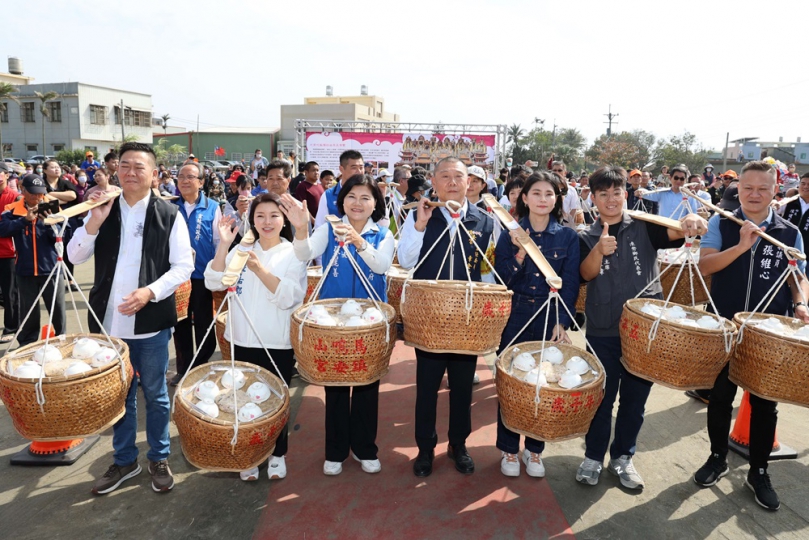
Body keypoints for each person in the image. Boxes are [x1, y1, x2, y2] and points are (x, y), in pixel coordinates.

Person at [67, 142, 193, 495]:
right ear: (115, 171)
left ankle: (159, 456)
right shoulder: (102, 207)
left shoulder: (168, 213)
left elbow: (185, 264)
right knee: (118, 395)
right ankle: (125, 460)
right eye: (125, 166)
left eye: (139, 167)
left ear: (154, 174)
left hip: (151, 321)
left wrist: (149, 292)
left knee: (154, 393)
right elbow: (74, 256)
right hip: (108, 325)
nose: (131, 172)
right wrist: (93, 221)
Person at [577, 166, 707, 490]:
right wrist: (598, 250)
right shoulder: (585, 235)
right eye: (603, 194)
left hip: (644, 332)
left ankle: (622, 458)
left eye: (616, 192)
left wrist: (692, 224)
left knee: (635, 401)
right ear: (593, 198)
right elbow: (584, 274)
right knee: (601, 399)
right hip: (603, 330)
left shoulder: (646, 227)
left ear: (626, 193)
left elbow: (679, 233)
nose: (611, 199)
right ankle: (593, 456)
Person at [693, 161, 809, 511]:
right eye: (747, 188)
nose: (754, 194)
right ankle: (717, 457)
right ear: (738, 189)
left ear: (776, 190)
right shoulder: (722, 223)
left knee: (763, 403)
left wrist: (802, 302)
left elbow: (798, 275)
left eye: (762, 188)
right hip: (725, 326)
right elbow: (706, 264)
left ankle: (759, 470)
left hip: (767, 333)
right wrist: (742, 245)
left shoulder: (789, 232)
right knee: (720, 394)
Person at [284, 174, 394, 476]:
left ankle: (364, 448)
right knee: (335, 386)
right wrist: (301, 228)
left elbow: (382, 266)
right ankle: (335, 451)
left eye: (365, 198)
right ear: (341, 201)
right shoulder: (328, 230)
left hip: (370, 322)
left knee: (367, 386)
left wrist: (359, 242)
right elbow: (304, 254)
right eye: (351, 197)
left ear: (375, 205)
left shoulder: (382, 234)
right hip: (332, 321)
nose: (357, 203)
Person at [398, 157, 495, 478]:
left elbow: (487, 273)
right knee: (426, 387)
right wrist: (420, 225)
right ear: (433, 182)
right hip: (430, 320)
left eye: (459, 177)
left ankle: (458, 445)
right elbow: (406, 259)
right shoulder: (420, 215)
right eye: (445, 176)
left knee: (463, 387)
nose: (452, 182)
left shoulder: (484, 221)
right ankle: (425, 449)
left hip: (466, 321)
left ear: (471, 183)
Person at [205, 192, 306, 481]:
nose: (267, 221)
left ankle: (277, 454)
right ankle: (249, 456)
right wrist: (225, 245)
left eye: (274, 215)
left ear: (284, 218)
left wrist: (260, 270)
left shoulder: (293, 253)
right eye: (260, 216)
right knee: (242, 401)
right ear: (251, 220)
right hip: (240, 341)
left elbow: (289, 296)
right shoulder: (242, 249)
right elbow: (214, 280)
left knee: (276, 401)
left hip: (276, 342)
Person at [494, 171, 579, 478]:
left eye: (549, 194)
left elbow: (570, 284)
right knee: (513, 382)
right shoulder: (509, 234)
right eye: (537, 193)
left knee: (545, 383)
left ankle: (534, 450)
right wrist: (518, 252)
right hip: (515, 315)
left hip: (548, 317)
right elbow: (503, 279)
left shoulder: (568, 237)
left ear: (557, 199)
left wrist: (562, 322)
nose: (543, 199)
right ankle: (508, 447)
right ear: (524, 198)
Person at [0, 175, 69, 346]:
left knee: (58, 310)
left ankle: (62, 342)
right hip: (24, 270)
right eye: (33, 193)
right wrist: (24, 220)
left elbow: (64, 234)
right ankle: (28, 344)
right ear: (23, 191)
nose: (38, 197)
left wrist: (49, 222)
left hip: (52, 269)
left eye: (40, 193)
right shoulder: (11, 210)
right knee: (28, 312)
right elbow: (3, 230)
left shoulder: (54, 208)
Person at [169, 161, 221, 386]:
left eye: (190, 177)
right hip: (176, 279)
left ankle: (200, 367)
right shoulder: (170, 207)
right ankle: (183, 369)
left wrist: (217, 272)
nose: (184, 181)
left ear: (201, 182)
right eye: (181, 176)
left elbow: (219, 242)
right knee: (179, 326)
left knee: (204, 325)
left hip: (201, 277)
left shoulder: (213, 207)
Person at [42, 159, 79, 291]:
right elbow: (42, 198)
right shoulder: (41, 183)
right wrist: (62, 200)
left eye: (58, 167)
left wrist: (51, 195)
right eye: (52, 167)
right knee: (51, 250)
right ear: (45, 170)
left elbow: (73, 195)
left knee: (67, 249)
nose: (57, 169)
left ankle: (70, 279)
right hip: (47, 221)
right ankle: (55, 279)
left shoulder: (65, 182)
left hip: (66, 221)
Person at [314, 150, 364, 230]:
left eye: (361, 167)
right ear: (341, 169)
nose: (359, 172)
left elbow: (382, 224)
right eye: (354, 168)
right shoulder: (328, 195)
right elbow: (319, 226)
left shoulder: (370, 193)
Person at [0, 164, 22, 341]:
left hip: (8, 253)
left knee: (10, 293)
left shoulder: (15, 197)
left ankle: (11, 327)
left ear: (6, 175)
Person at [638, 164, 703, 218]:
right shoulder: (662, 192)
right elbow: (648, 194)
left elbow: (693, 215)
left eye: (682, 179)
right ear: (670, 178)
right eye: (676, 178)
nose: (678, 181)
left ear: (685, 180)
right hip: (662, 227)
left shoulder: (690, 197)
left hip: (679, 229)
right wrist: (640, 191)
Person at [780, 172, 809, 249]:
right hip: (784, 248)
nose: (806, 187)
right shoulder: (787, 203)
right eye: (803, 183)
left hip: (805, 254)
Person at [551, 161, 584, 227]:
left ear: (565, 173)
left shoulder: (571, 190)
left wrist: (567, 223)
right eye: (554, 170)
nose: (557, 172)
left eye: (559, 170)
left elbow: (574, 208)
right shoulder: (545, 188)